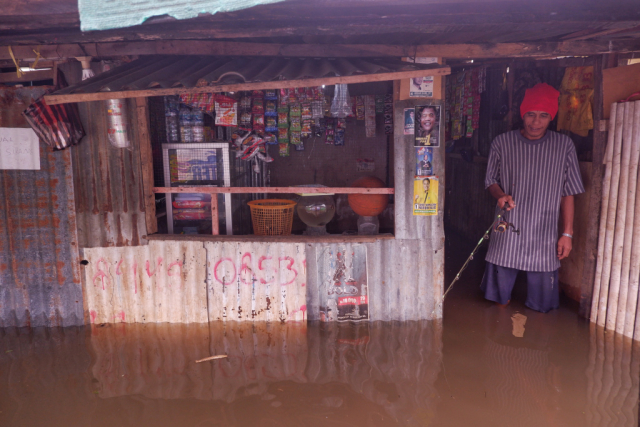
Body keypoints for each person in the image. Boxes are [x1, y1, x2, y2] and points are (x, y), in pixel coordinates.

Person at [481, 82, 585, 313]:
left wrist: (567, 234)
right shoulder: (502, 142)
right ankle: (497, 342)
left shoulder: (564, 146)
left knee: (544, 307)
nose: (536, 122)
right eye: (530, 114)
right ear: (522, 114)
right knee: (499, 301)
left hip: (544, 234)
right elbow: (490, 180)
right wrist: (500, 196)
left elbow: (569, 192)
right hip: (507, 230)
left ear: (552, 117)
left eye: (543, 115)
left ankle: (537, 343)